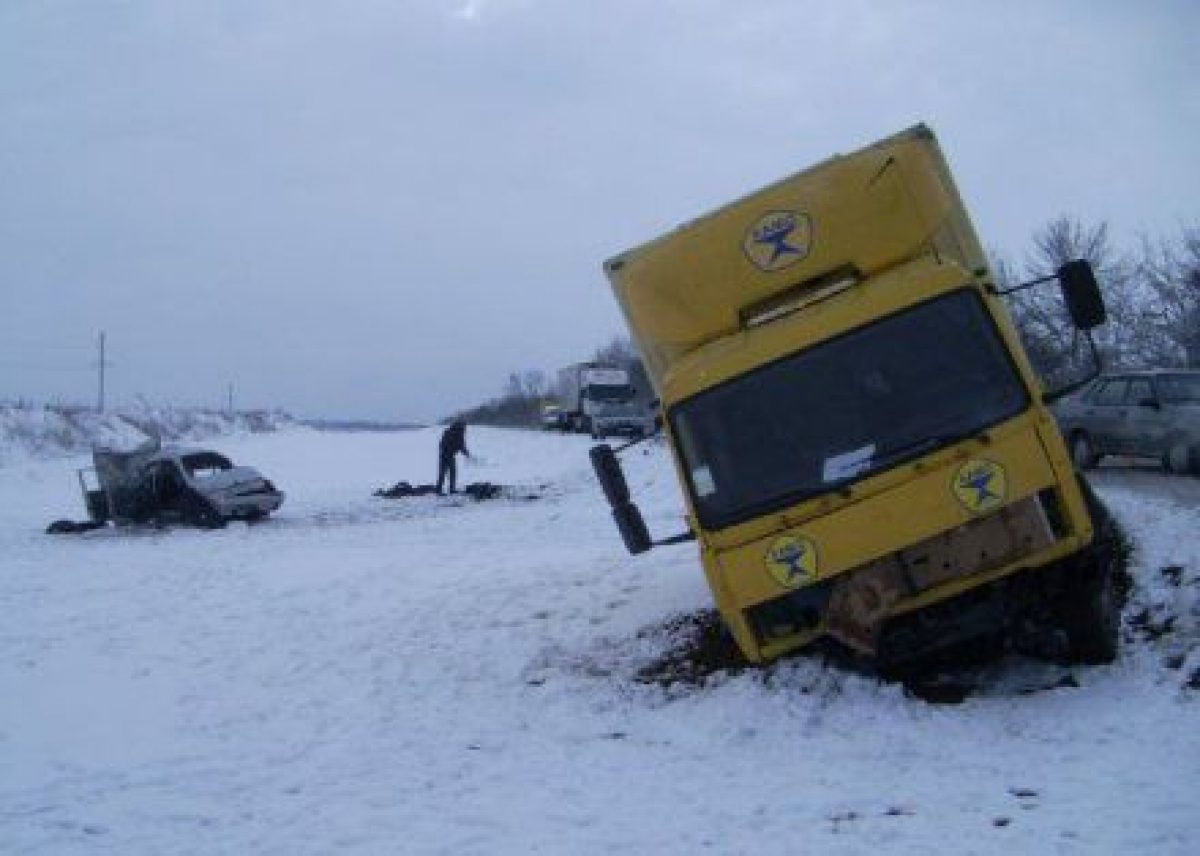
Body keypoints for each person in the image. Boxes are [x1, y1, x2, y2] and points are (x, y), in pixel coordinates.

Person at [436, 420, 469, 494]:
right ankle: (439, 490)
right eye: (464, 427)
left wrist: (466, 453)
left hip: (449, 455)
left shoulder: (458, 434)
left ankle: (451, 489)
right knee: (443, 473)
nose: (465, 429)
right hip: (445, 455)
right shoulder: (450, 433)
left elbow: (462, 446)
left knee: (452, 473)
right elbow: (443, 444)